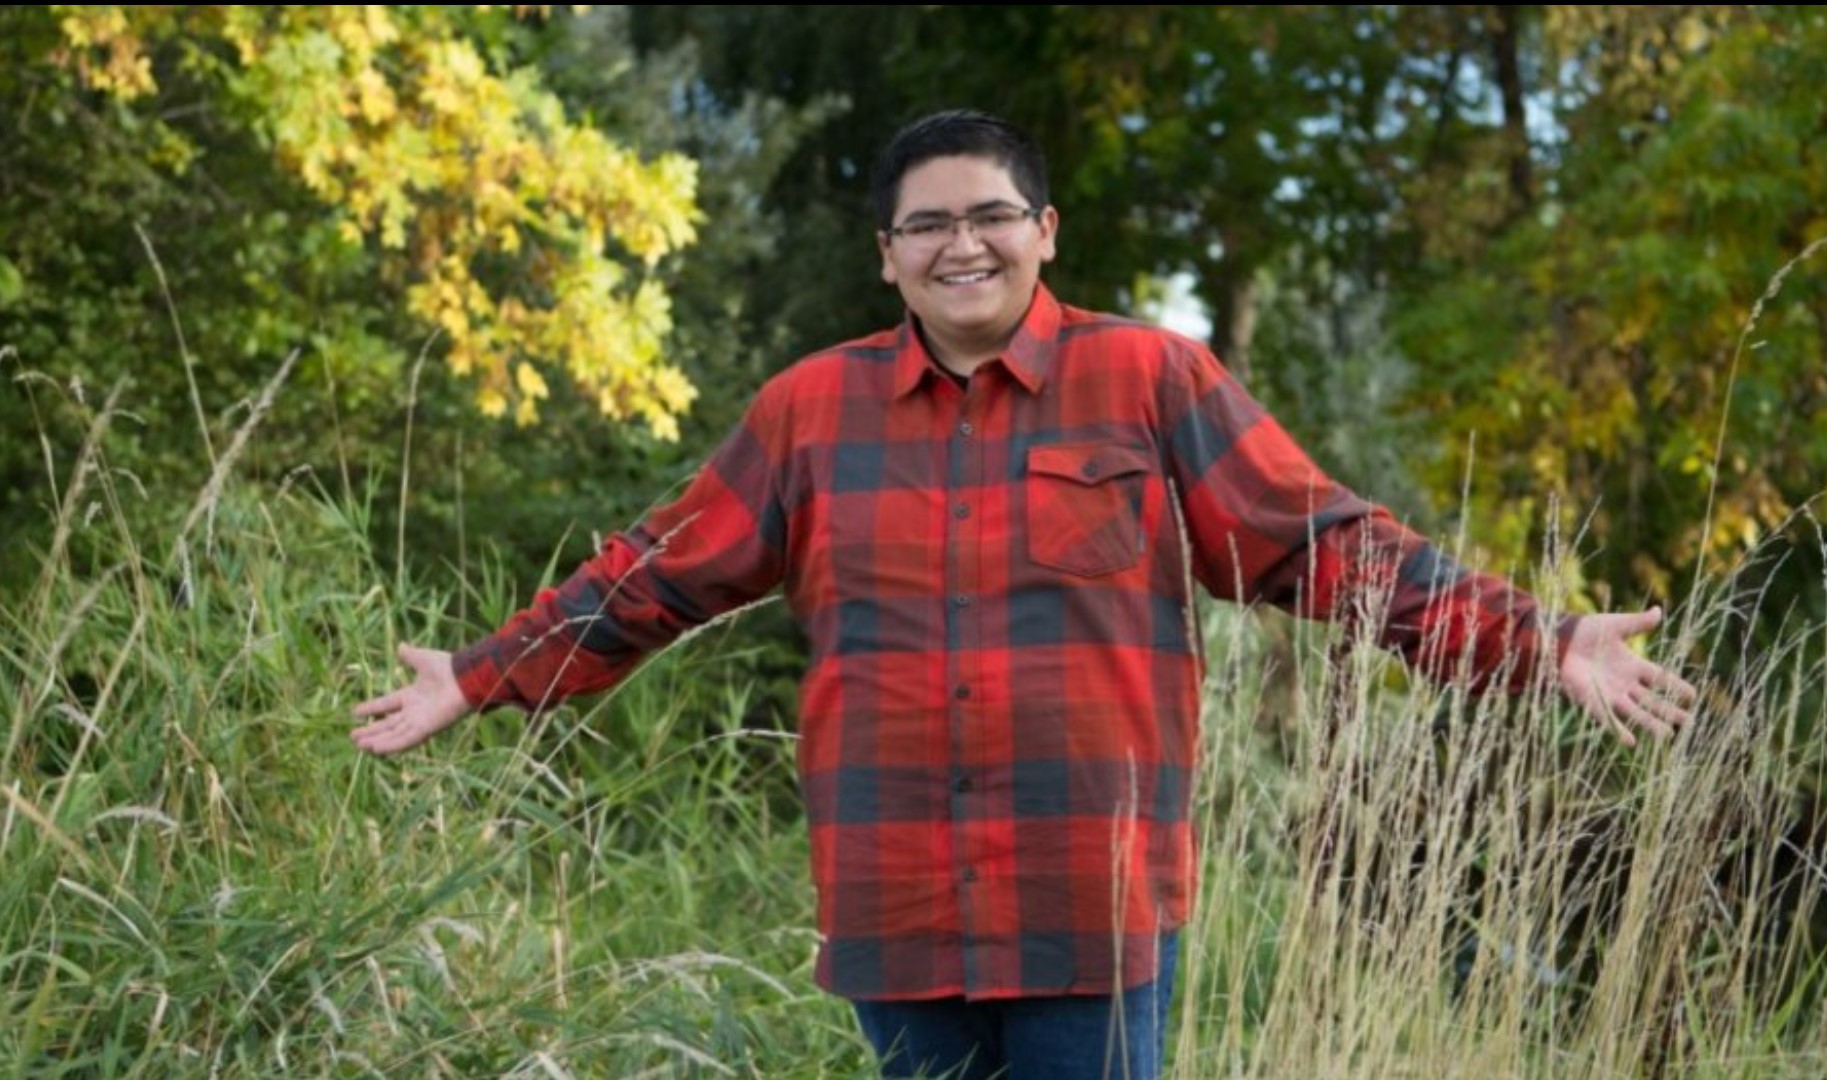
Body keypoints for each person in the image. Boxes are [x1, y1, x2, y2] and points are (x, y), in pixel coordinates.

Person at [351, 109, 1697, 1079]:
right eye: (926, 225)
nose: (962, 245)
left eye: (991, 215)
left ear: (1044, 232)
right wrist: (479, 673)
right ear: (887, 255)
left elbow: (1321, 547)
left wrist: (1539, 639)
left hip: (1090, 903)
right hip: (896, 902)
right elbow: (660, 570)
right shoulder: (811, 411)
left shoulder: (1151, 380)